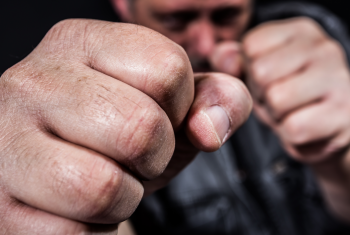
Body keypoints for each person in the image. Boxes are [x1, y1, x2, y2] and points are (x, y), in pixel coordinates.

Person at [0, 1, 350, 235]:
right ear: (125, 4)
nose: (207, 44)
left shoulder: (316, 44)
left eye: (227, 16)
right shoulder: (85, 92)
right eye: (176, 19)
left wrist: (338, 159)